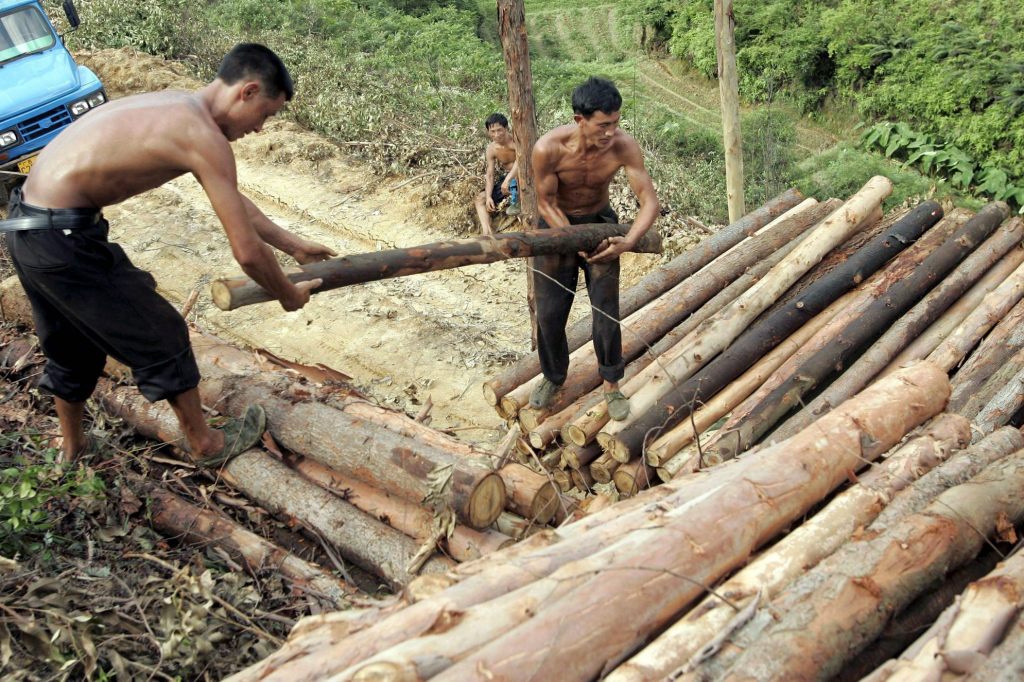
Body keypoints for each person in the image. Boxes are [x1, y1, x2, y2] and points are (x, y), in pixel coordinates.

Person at [0, 43, 336, 463]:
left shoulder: (178, 107)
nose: (261, 129)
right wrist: (287, 294)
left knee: (71, 346)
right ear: (247, 92)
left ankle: (72, 448)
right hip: (62, 239)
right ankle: (206, 445)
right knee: (163, 334)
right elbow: (246, 254)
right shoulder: (203, 137)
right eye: (266, 114)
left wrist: (295, 245)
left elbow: (230, 197)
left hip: (27, 227)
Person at [529, 77, 659, 421]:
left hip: (601, 224)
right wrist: (572, 241)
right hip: (556, 227)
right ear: (579, 119)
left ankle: (612, 382)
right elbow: (545, 202)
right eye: (603, 125)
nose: (610, 132)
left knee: (605, 308)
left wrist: (629, 240)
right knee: (550, 311)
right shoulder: (548, 148)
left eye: (616, 123)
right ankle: (553, 376)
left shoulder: (623, 146)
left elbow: (649, 200)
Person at [473, 113, 519, 235]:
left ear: (506, 128)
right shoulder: (491, 149)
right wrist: (488, 197)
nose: (496, 134)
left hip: (525, 178)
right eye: (492, 131)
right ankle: (487, 233)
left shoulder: (516, 140)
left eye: (499, 130)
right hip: (509, 180)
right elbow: (490, 174)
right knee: (480, 199)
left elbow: (522, 160)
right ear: (488, 132)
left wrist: (508, 180)